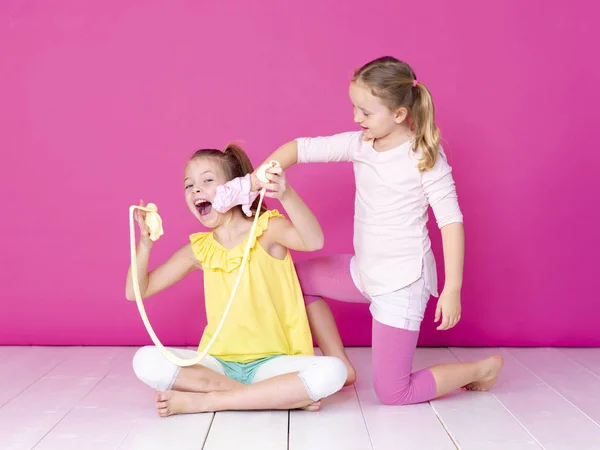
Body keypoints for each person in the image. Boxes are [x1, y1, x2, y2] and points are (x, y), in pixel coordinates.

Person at [254, 56, 503, 405]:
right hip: (365, 272)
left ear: (399, 114)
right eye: (355, 108)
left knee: (394, 392)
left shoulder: (424, 157)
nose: (356, 118)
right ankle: (341, 363)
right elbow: (299, 148)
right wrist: (255, 180)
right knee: (294, 279)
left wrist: (453, 288)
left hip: (401, 283)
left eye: (365, 112)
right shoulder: (361, 144)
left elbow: (451, 222)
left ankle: (481, 369)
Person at [126, 144, 347, 416]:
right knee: (145, 360)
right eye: (189, 185)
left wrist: (286, 194)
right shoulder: (199, 249)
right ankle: (271, 397)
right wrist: (145, 245)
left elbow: (314, 241)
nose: (196, 189)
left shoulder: (267, 229)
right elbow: (135, 291)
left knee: (333, 371)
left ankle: (211, 401)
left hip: (273, 363)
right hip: (218, 364)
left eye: (207, 180)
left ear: (235, 187)